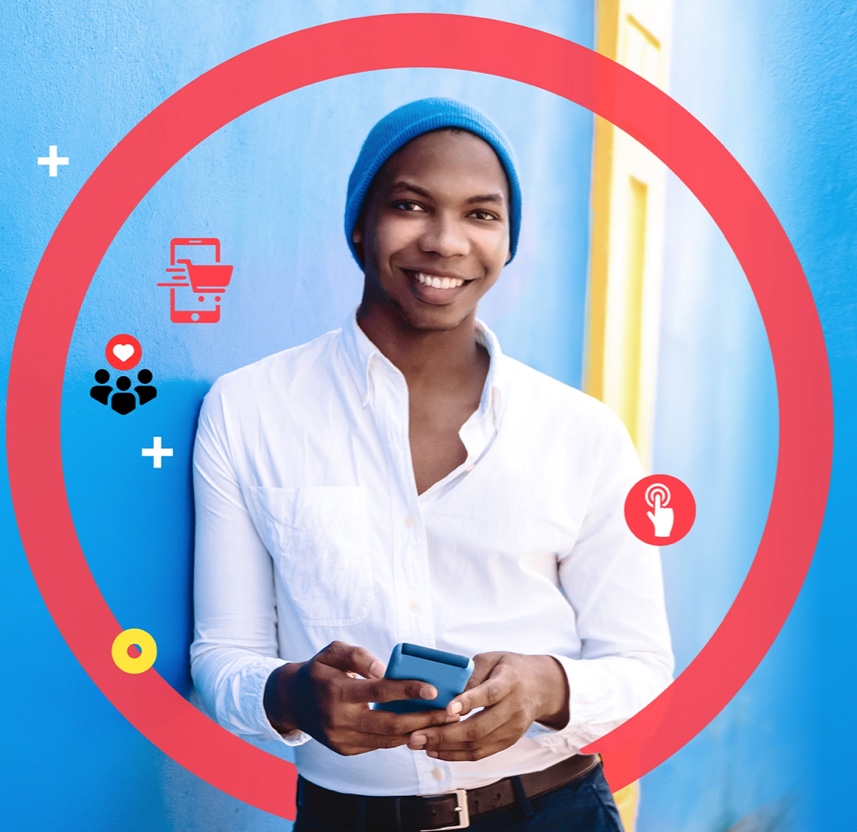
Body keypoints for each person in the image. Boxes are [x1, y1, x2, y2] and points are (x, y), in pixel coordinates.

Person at [191, 98, 673, 831]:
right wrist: (289, 695)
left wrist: (548, 687)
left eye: (482, 214)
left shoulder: (584, 433)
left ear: (508, 241)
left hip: (553, 810)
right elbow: (221, 657)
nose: (446, 242)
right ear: (359, 223)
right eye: (412, 206)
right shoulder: (249, 408)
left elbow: (640, 665)